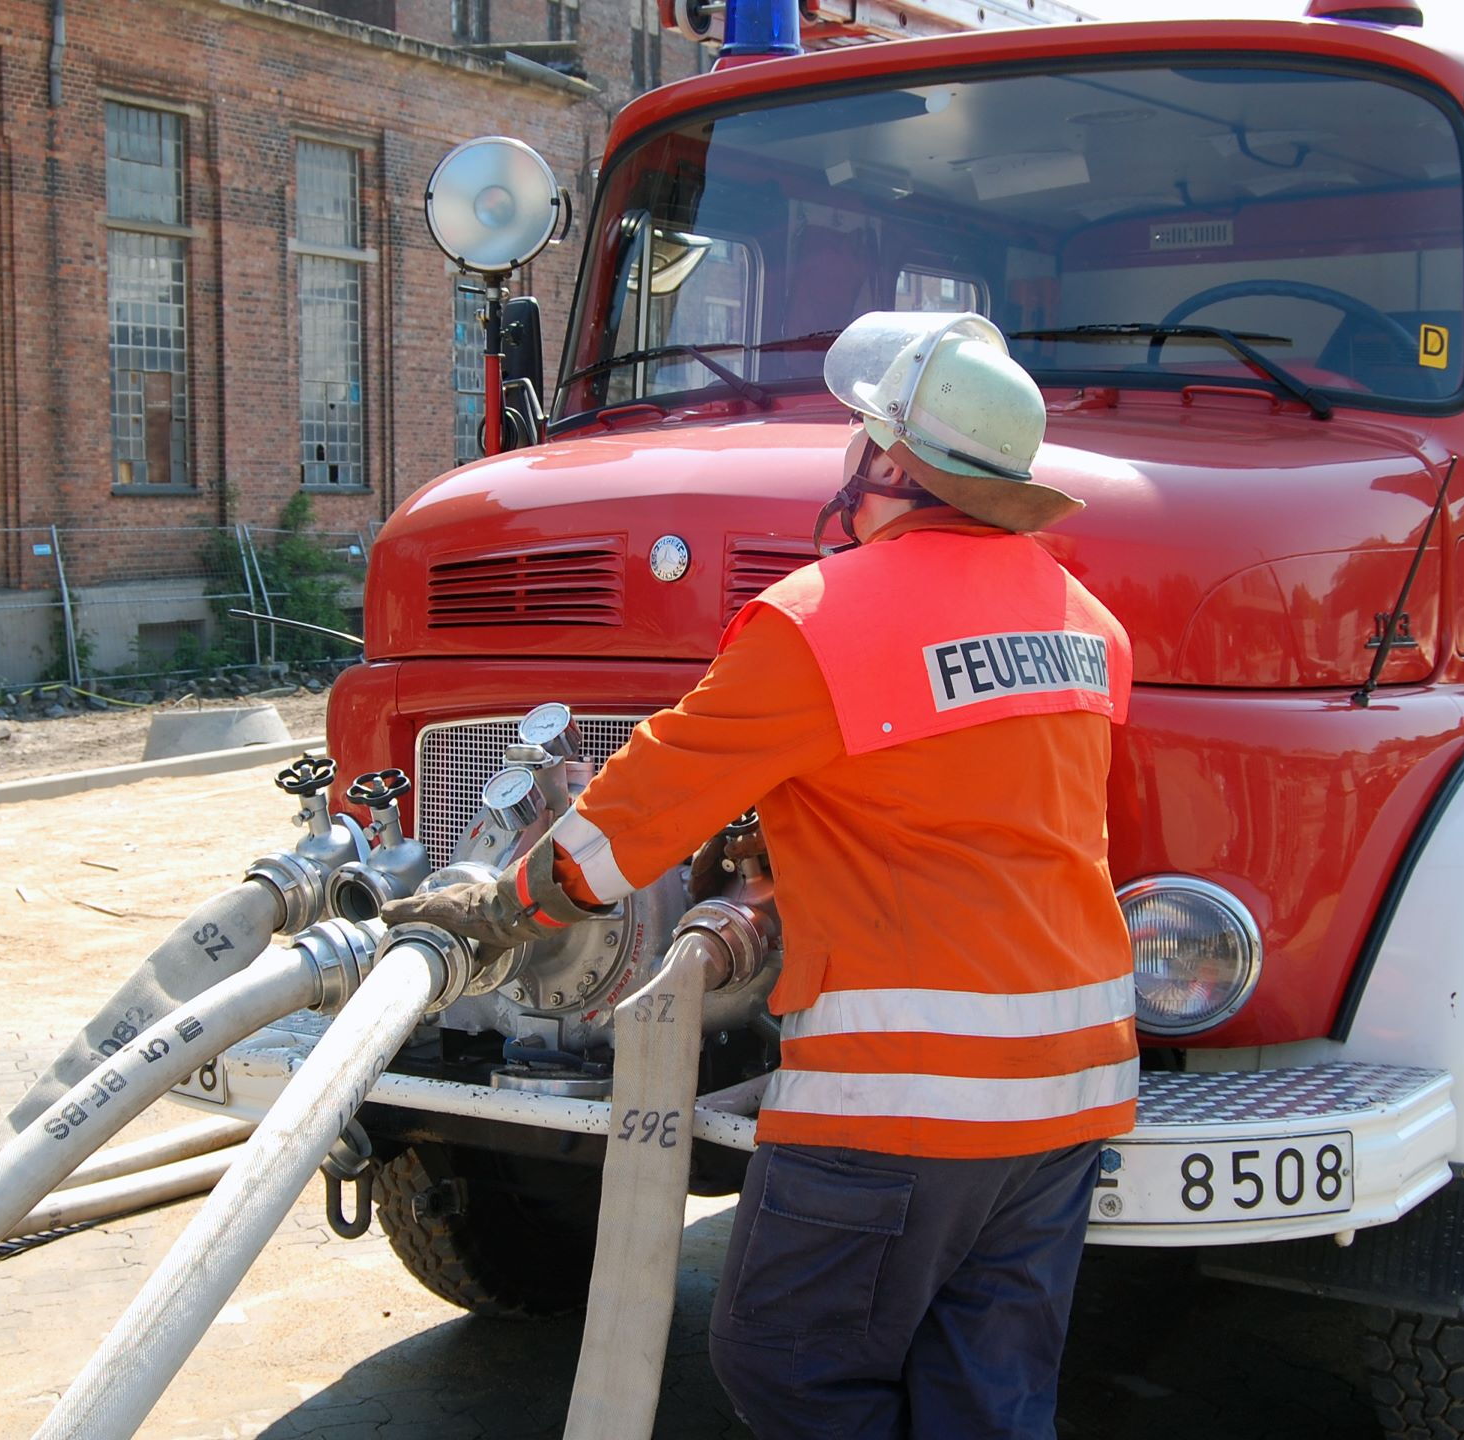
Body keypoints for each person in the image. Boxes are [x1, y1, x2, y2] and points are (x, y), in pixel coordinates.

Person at [383, 311, 1136, 1440]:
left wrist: (503, 907)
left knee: (788, 1364)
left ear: (890, 463)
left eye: (862, 433)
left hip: (903, 1098)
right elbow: (980, 813)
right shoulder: (1087, 626)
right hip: (1071, 1087)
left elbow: (638, 813)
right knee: (988, 1395)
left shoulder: (821, 623)